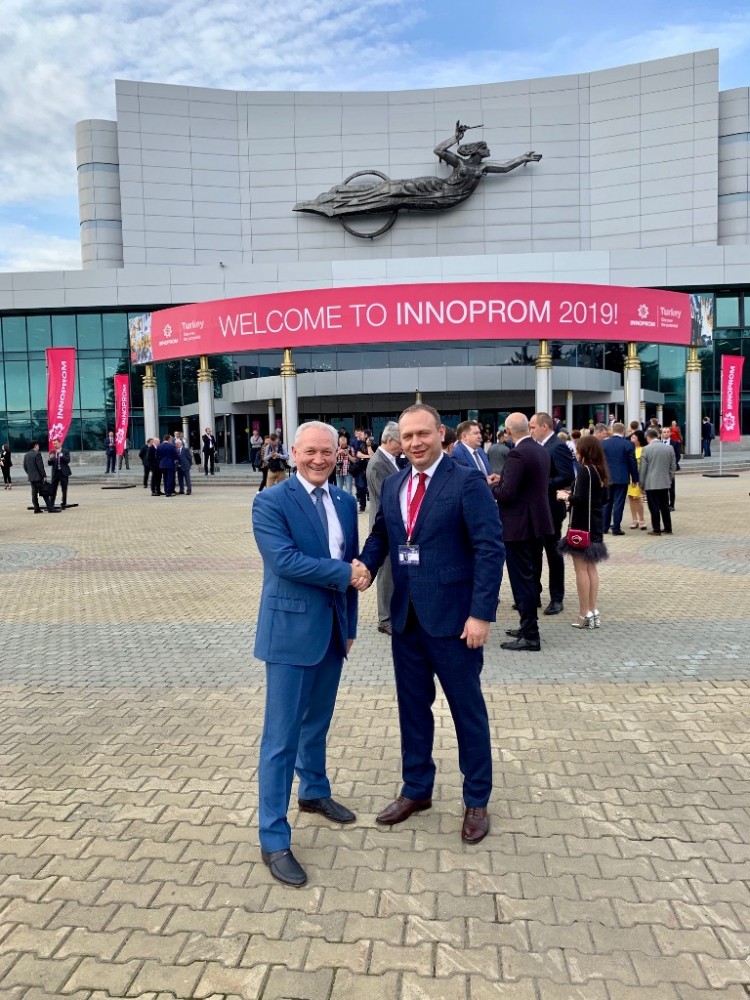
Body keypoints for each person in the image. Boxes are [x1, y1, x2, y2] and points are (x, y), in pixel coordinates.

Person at [359, 404, 504, 845]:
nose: (415, 443)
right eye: (408, 437)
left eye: (423, 433)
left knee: (466, 711)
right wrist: (365, 566)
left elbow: (489, 548)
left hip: (455, 622)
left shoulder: (466, 481)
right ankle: (417, 789)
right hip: (406, 620)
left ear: (441, 433)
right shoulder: (394, 483)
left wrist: (481, 614)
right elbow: (382, 535)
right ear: (398, 441)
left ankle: (476, 799)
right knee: (412, 709)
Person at [253, 421, 367, 888]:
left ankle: (314, 791)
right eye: (311, 451)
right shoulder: (271, 501)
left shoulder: (344, 500)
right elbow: (285, 562)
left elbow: (354, 563)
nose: (319, 459)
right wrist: (344, 575)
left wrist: (351, 625)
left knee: (317, 723)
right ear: (294, 452)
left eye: (327, 452)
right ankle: (273, 837)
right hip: (289, 636)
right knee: (280, 739)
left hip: (333, 632)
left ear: (339, 454)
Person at [492, 413, 553, 652]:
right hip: (537, 523)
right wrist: (503, 479)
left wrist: (490, 485)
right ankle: (527, 627)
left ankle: (530, 635)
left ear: (508, 431)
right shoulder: (539, 449)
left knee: (521, 581)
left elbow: (507, 494)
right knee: (530, 577)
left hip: (519, 526)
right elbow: (528, 483)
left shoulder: (517, 453)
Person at [557, 435, 610, 629]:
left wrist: (564, 496)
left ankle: (583, 613)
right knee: (591, 568)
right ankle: (593, 611)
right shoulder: (600, 470)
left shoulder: (585, 470)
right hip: (595, 525)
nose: (576, 452)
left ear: (584, 451)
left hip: (581, 527)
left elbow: (579, 499)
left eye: (578, 449)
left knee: (581, 569)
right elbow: (603, 499)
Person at [529, 412, 575, 616]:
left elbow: (567, 476)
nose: (530, 431)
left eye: (533, 427)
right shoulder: (538, 446)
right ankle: (534, 594)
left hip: (551, 510)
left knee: (553, 554)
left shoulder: (557, 446)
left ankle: (557, 598)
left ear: (544, 426)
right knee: (534, 553)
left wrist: (542, 483)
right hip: (536, 509)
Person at [365, 421, 402, 636]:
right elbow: (387, 498)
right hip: (385, 528)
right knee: (386, 574)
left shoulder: (392, 460)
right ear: (389, 440)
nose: (404, 446)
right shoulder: (378, 463)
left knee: (396, 571)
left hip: (395, 527)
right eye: (401, 441)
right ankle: (385, 619)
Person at [601, 423, 638, 535]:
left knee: (607, 502)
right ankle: (616, 529)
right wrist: (635, 478)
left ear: (612, 430)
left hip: (607, 477)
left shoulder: (603, 443)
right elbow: (632, 462)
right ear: (624, 431)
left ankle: (604, 527)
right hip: (622, 477)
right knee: (619, 503)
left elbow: (600, 461)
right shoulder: (628, 444)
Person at [640, 428, 676, 535]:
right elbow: (673, 466)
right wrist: (669, 478)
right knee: (665, 506)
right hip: (664, 482)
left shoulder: (646, 449)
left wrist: (641, 483)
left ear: (648, 437)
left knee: (654, 507)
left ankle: (656, 529)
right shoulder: (669, 448)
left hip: (651, 483)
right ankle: (668, 528)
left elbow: (643, 468)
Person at [23, 442, 59, 513]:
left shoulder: (26, 455)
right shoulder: (37, 454)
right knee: (45, 492)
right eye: (38, 445)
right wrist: (44, 476)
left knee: (34, 493)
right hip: (38, 477)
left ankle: (36, 509)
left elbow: (25, 467)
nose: (38, 446)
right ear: (35, 446)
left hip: (32, 477)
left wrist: (30, 474)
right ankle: (50, 508)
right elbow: (40, 466)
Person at [627, 430, 648, 529]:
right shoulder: (629, 448)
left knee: (637, 498)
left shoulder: (643, 450)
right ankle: (634, 519)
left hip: (638, 477)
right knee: (631, 498)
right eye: (631, 437)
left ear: (639, 440)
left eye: (634, 437)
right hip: (629, 477)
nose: (631, 439)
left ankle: (642, 519)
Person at [47, 439, 72, 509]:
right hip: (55, 473)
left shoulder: (65, 451)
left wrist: (60, 454)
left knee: (64, 489)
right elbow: (49, 463)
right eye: (54, 444)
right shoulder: (52, 452)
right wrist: (50, 459)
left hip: (63, 473)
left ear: (60, 443)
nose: (55, 445)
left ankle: (64, 503)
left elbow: (67, 460)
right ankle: (51, 503)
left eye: (56, 443)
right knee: (53, 488)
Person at [660, 426, 679, 510]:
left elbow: (677, 456)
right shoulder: (659, 443)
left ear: (670, 433)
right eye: (664, 432)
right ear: (661, 433)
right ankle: (663, 504)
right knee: (661, 488)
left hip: (670, 469)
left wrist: (672, 465)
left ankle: (671, 505)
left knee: (671, 488)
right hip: (660, 469)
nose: (666, 433)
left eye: (668, 432)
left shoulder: (675, 443)